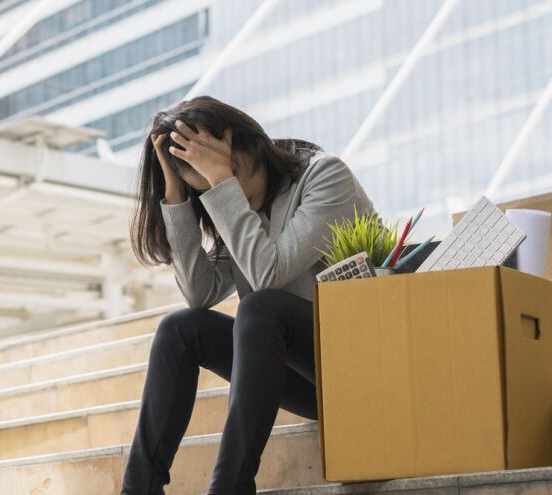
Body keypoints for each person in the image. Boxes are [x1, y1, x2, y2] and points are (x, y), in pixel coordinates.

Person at [122, 95, 376, 494]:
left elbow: (268, 273)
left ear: (239, 138)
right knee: (180, 327)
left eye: (207, 160)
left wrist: (223, 185)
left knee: (260, 307)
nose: (207, 179)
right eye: (195, 176)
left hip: (361, 370)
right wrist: (176, 199)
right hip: (308, 383)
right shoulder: (236, 214)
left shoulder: (325, 177)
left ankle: (230, 488)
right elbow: (199, 294)